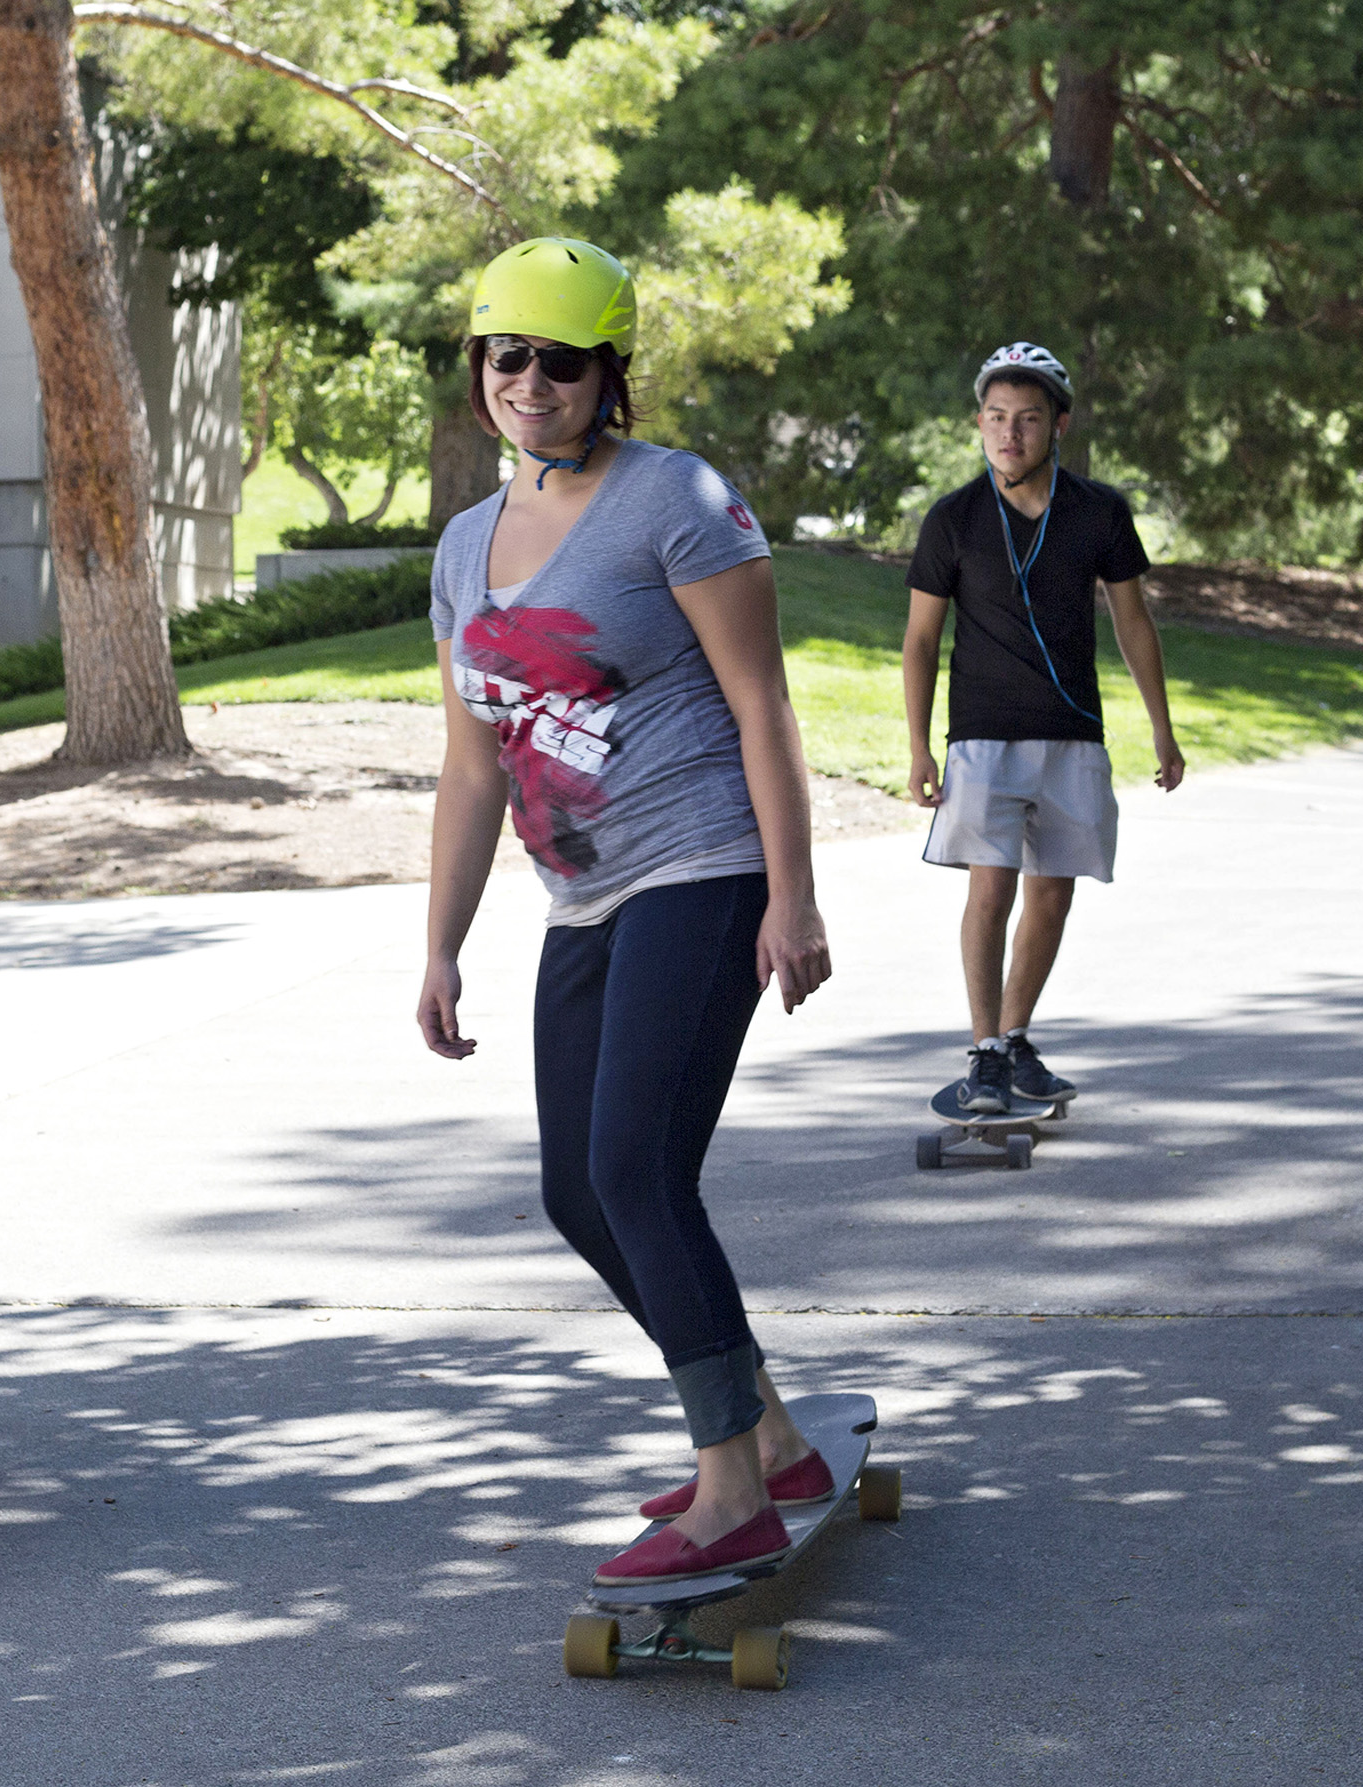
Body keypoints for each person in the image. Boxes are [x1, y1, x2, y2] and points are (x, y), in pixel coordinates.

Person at [417, 237, 836, 1588]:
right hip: (581, 896)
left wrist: (793, 894)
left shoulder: (680, 500)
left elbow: (763, 705)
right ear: (480, 366)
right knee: (577, 1188)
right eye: (507, 354)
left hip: (701, 866)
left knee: (638, 1169)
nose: (530, 381)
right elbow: (473, 761)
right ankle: (768, 1430)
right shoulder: (466, 545)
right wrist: (439, 941)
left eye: (562, 359)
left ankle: (729, 1485)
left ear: (611, 375)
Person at [902, 343, 1184, 1112]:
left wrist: (1162, 728)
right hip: (982, 739)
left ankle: (1016, 1036)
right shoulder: (954, 519)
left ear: (1060, 423)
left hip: (1073, 734)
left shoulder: (1098, 512)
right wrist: (919, 744)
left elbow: (1133, 622)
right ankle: (984, 1050)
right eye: (995, 419)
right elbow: (921, 638)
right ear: (979, 424)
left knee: (1053, 896)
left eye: (1027, 420)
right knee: (991, 889)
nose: (1009, 435)